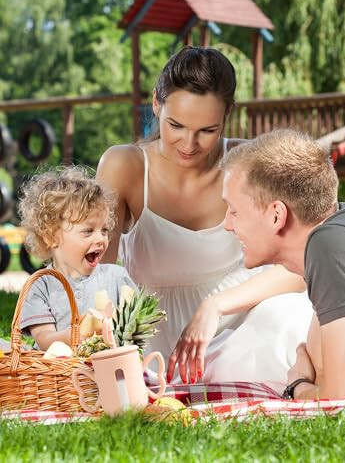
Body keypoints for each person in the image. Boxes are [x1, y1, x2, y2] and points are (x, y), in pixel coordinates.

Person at [97, 46, 312, 389]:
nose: (189, 144)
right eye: (176, 125)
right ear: (156, 103)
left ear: (227, 115)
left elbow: (301, 265)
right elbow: (97, 278)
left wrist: (214, 306)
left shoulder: (247, 162)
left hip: (241, 328)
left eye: (207, 130)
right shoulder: (125, 166)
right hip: (157, 346)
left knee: (291, 318)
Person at [221, 129, 345, 399]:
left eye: (235, 211)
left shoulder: (334, 245)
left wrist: (298, 384)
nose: (227, 224)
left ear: (276, 215)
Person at [19, 166, 135, 350]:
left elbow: (136, 326)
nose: (100, 239)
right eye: (88, 231)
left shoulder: (117, 278)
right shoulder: (41, 286)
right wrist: (73, 336)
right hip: (58, 374)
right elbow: (44, 338)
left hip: (108, 369)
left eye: (104, 230)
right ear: (50, 236)